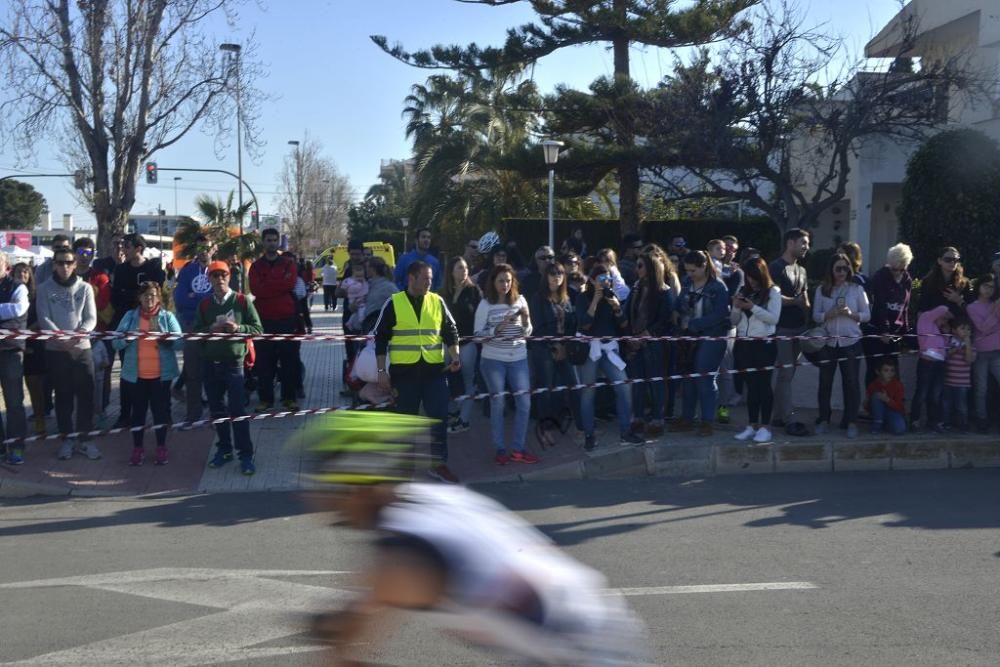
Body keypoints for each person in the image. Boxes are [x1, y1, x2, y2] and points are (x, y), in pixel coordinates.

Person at [302, 411, 653, 667]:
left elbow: (354, 629)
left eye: (327, 487)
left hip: (581, 653)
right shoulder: (437, 499)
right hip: (591, 628)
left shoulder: (402, 560)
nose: (317, 499)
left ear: (357, 488)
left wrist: (334, 634)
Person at [373, 260, 461, 483]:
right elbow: (380, 338)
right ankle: (405, 468)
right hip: (405, 375)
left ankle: (439, 464)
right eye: (426, 278)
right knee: (405, 422)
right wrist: (381, 370)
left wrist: (455, 354)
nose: (430, 283)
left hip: (434, 372)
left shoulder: (437, 301)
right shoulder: (393, 303)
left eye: (431, 279)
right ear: (411, 278)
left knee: (439, 420)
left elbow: (450, 331)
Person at [195, 260, 263, 476]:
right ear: (209, 280)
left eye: (223, 275)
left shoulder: (242, 301)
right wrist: (210, 329)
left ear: (229, 277)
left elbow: (258, 329)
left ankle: (245, 454)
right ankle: (224, 449)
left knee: (238, 411)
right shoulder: (205, 304)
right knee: (217, 410)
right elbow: (195, 332)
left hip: (233, 364)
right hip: (210, 364)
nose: (219, 279)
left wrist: (239, 328)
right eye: (214, 275)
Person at [36, 247, 99, 461]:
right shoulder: (44, 288)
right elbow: (44, 318)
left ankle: (85, 440)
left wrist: (78, 337)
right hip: (56, 351)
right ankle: (67, 439)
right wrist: (63, 340)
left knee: (86, 396)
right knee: (62, 396)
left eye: (68, 262)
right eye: (60, 262)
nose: (64, 266)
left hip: (82, 350)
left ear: (75, 264)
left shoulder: (86, 288)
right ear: (54, 264)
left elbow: (91, 318)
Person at [474, 263, 538, 465]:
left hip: (518, 357)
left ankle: (518, 449)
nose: (505, 285)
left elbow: (528, 333)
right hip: (493, 359)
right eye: (501, 280)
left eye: (508, 280)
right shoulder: (485, 304)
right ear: (493, 282)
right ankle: (500, 449)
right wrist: (497, 329)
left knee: (524, 404)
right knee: (498, 403)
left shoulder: (520, 300)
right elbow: (477, 336)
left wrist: (526, 322)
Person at [112, 282, 181, 466]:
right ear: (139, 298)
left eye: (152, 295)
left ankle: (161, 447)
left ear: (158, 297)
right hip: (136, 376)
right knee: (138, 414)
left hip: (161, 376)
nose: (149, 299)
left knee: (160, 414)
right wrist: (126, 338)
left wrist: (166, 338)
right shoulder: (129, 316)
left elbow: (180, 343)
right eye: (145, 295)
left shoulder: (167, 317)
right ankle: (137, 448)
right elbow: (115, 343)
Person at [577, 263, 644, 450]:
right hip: (591, 348)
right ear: (591, 280)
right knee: (588, 391)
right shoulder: (583, 297)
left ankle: (626, 431)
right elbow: (583, 325)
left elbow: (623, 325)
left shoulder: (612, 297)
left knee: (623, 386)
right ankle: (589, 434)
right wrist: (595, 301)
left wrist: (617, 308)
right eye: (600, 279)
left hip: (609, 348)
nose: (605, 283)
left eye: (608, 279)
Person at [812, 253, 871, 438]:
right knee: (825, 382)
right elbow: (816, 316)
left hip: (851, 342)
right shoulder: (822, 290)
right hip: (828, 341)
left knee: (851, 382)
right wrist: (829, 314)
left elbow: (867, 315)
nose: (842, 272)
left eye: (845, 268)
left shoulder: (856, 289)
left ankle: (851, 420)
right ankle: (823, 418)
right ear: (831, 269)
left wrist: (851, 314)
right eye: (838, 268)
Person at [673, 250, 731, 437]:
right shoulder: (688, 282)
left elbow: (720, 315)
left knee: (705, 378)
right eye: (687, 271)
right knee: (688, 377)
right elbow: (680, 304)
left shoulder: (718, 287)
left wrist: (694, 324)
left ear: (704, 266)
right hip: (689, 337)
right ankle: (688, 418)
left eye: (692, 271)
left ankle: (707, 422)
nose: (689, 274)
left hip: (712, 337)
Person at [111, 233, 166, 427]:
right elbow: (116, 297)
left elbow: (157, 293)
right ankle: (126, 414)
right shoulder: (121, 270)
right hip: (128, 325)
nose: (122, 250)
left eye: (126, 246)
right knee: (128, 373)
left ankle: (162, 415)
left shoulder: (153, 268)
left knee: (157, 372)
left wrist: (133, 296)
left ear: (138, 248)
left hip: (152, 326)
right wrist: (134, 297)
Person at [528, 261, 581, 446]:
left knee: (572, 386)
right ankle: (545, 429)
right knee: (546, 389)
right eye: (552, 273)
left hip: (565, 348)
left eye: (560, 273)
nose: (556, 276)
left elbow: (572, 325)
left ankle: (579, 427)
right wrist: (554, 345)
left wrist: (564, 345)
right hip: (544, 349)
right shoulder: (538, 298)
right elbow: (538, 326)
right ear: (546, 276)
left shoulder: (567, 298)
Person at [248, 227, 300, 412]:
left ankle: (289, 398)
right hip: (263, 321)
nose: (271, 243)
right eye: (268, 240)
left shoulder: (288, 263)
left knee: (289, 361)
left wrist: (268, 284)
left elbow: (289, 283)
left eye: (273, 240)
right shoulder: (255, 266)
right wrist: (277, 285)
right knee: (264, 363)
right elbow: (255, 289)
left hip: (286, 319)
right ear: (263, 242)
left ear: (278, 242)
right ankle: (265, 399)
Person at [731, 257, 782, 443]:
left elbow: (773, 319)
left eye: (755, 277)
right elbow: (734, 321)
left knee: (764, 384)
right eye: (749, 277)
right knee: (751, 385)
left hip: (764, 343)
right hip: (744, 342)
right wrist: (736, 308)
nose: (751, 281)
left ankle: (765, 426)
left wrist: (752, 307)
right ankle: (752, 424)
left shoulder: (773, 292)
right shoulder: (742, 290)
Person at [625, 252, 676, 438]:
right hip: (635, 343)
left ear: (651, 268)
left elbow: (665, 321)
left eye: (640, 266)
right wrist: (630, 337)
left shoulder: (664, 291)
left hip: (655, 344)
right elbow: (627, 313)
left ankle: (657, 419)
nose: (636, 269)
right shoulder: (636, 288)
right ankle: (637, 418)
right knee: (638, 382)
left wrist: (645, 336)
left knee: (656, 383)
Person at [769, 228, 811, 428]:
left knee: (789, 374)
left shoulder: (802, 270)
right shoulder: (775, 267)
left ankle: (778, 416)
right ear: (790, 243)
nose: (806, 247)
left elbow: (805, 299)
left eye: (807, 243)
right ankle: (788, 417)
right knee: (785, 373)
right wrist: (796, 301)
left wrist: (808, 308)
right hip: (782, 328)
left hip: (800, 327)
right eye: (803, 242)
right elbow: (773, 298)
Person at [173, 236, 216, 427]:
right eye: (200, 247)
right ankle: (193, 414)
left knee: (215, 373)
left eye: (207, 247)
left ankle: (217, 414)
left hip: (216, 327)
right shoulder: (187, 270)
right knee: (193, 373)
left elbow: (222, 297)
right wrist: (204, 297)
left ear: (213, 248)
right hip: (192, 326)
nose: (203, 251)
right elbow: (181, 299)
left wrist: (196, 296)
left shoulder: (219, 270)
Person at [73, 237, 114, 429]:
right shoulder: (66, 276)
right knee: (71, 381)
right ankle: (75, 419)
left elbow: (104, 306)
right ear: (75, 254)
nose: (84, 257)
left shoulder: (101, 278)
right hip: (70, 337)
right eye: (81, 252)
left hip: (97, 336)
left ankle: (101, 412)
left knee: (100, 379)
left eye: (89, 253)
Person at [441, 256, 481, 434]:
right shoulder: (443, 293)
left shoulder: (474, 292)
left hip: (467, 344)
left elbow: (479, 317)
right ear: (451, 271)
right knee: (445, 378)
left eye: (465, 268)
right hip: (446, 344)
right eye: (459, 268)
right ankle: (452, 410)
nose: (464, 271)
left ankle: (464, 419)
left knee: (468, 380)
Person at [865, 243, 914, 386]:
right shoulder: (880, 277)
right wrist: (884, 331)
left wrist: (905, 335)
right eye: (894, 269)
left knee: (893, 373)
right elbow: (879, 305)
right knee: (875, 372)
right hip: (877, 332)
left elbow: (905, 307)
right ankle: (873, 405)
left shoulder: (907, 279)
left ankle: (892, 405)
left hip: (894, 334)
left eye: (902, 269)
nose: (897, 273)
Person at [0, 253, 29, 464]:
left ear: (6, 266)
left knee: (15, 403)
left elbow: (18, 309)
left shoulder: (18, 287)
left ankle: (17, 447)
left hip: (11, 351)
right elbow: (9, 311)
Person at [15, 263, 46, 438]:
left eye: (26, 271)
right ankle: (17, 427)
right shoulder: (8, 293)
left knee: (36, 388)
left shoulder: (36, 296)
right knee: (14, 390)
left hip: (34, 346)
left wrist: (24, 335)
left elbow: (41, 319)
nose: (22, 274)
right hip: (12, 346)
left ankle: (40, 421)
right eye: (19, 271)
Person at [911, 305, 952, 431]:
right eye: (943, 318)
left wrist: (945, 332)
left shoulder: (940, 330)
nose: (944, 320)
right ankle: (914, 421)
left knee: (935, 394)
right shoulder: (925, 319)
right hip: (926, 363)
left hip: (940, 364)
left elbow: (945, 348)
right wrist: (947, 314)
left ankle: (932, 421)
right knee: (921, 393)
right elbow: (943, 308)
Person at [969, 275, 1000, 432]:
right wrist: (994, 314)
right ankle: (981, 418)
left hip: (997, 351)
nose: (989, 289)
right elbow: (982, 328)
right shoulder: (972, 307)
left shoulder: (996, 304)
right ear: (979, 286)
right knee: (981, 388)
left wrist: (991, 323)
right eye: (986, 286)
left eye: (992, 287)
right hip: (981, 352)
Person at [941, 315, 975, 432]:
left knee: (961, 406)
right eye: (962, 328)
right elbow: (944, 356)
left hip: (962, 382)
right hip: (948, 380)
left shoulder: (972, 346)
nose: (966, 331)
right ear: (954, 330)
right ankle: (946, 423)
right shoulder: (950, 342)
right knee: (946, 404)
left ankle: (963, 424)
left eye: (968, 329)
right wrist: (956, 348)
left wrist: (967, 344)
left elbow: (969, 360)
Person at [918, 246, 974, 315]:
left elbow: (972, 310)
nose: (952, 262)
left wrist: (959, 300)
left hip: (957, 323)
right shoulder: (928, 282)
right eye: (948, 260)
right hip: (934, 322)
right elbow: (923, 308)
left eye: (955, 260)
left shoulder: (964, 283)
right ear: (939, 261)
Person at [866, 359, 907, 436]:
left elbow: (900, 407)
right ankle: (878, 423)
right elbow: (870, 407)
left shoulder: (898, 385)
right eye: (886, 370)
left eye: (892, 371)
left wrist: (887, 400)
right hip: (879, 413)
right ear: (878, 372)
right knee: (876, 395)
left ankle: (885, 424)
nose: (890, 374)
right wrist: (867, 404)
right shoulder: (873, 385)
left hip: (894, 412)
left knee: (900, 430)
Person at [394, 227, 442, 291]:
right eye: (423, 237)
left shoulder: (435, 262)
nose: (427, 240)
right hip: (407, 298)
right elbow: (396, 282)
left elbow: (437, 285)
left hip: (427, 299)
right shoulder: (404, 259)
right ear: (416, 240)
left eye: (429, 237)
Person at [341, 260, 369, 333]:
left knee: (359, 311)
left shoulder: (365, 281)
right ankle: (358, 322)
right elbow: (343, 287)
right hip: (353, 300)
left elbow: (366, 289)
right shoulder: (349, 280)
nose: (359, 272)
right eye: (357, 270)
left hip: (362, 300)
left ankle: (352, 323)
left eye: (360, 270)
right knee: (359, 311)